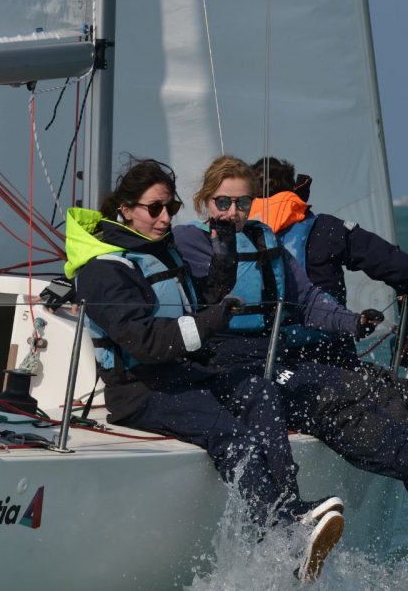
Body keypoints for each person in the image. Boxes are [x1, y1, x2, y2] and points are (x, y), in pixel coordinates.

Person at [174, 156, 408, 532]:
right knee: (327, 400)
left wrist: (354, 323)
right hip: (227, 367)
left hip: (273, 356)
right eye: (223, 203)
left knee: (381, 389)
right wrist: (222, 251)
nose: (233, 212)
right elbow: (202, 298)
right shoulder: (188, 243)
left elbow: (309, 300)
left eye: (243, 204)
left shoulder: (264, 241)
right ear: (204, 202)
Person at [66, 157, 344, 582]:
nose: (164, 218)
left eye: (171, 209)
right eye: (154, 208)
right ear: (125, 209)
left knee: (261, 391)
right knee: (229, 432)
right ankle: (278, 534)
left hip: (183, 373)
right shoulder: (105, 269)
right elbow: (145, 342)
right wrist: (212, 321)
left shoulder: (159, 250)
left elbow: (194, 299)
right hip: (139, 389)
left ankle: (290, 509)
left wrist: (222, 264)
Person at [249, 156, 408, 369]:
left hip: (256, 359)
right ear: (295, 189)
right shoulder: (326, 229)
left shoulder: (232, 236)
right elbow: (404, 270)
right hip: (327, 355)